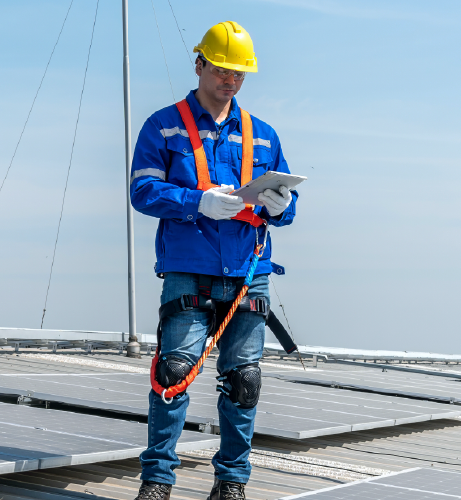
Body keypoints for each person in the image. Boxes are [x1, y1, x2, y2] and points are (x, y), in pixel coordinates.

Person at [127, 21, 297, 500]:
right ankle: (157, 480)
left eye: (239, 74)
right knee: (173, 373)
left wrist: (282, 207)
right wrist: (196, 201)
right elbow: (142, 191)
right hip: (188, 269)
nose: (231, 81)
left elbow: (286, 207)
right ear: (200, 64)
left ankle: (231, 484)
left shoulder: (262, 136)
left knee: (244, 382)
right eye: (222, 70)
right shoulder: (162, 125)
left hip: (248, 276)